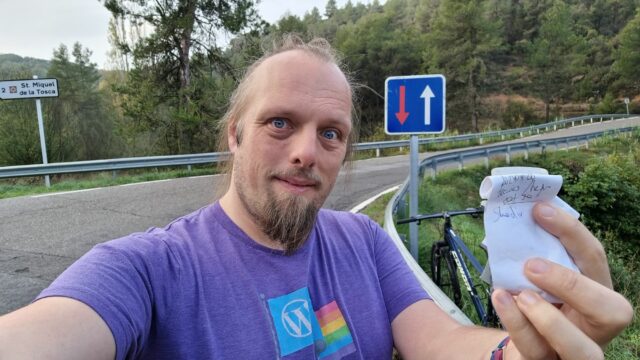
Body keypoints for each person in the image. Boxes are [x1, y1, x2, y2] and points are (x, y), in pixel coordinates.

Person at [0, 35, 632, 360]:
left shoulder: (362, 243)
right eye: (281, 123)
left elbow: (441, 343)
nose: (307, 151)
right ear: (235, 134)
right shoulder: (146, 269)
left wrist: (518, 351)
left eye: (331, 133)